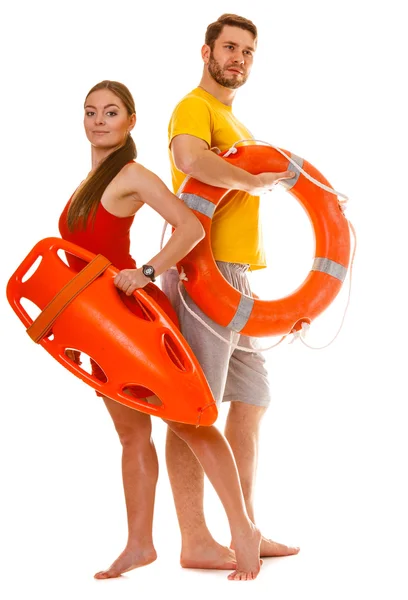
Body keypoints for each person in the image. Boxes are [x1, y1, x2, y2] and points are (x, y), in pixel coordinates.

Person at [58, 80, 262, 581]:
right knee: (131, 435)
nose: (98, 120)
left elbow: (190, 227)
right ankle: (139, 545)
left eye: (110, 112)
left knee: (189, 421)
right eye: (90, 112)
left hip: (133, 318)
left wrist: (146, 272)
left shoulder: (132, 174)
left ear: (130, 122)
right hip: (96, 324)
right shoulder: (87, 184)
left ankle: (243, 531)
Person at [161, 14, 300, 569]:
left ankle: (246, 526)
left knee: (250, 402)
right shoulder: (194, 107)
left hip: (237, 276)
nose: (238, 58)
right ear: (206, 51)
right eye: (230, 48)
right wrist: (253, 181)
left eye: (247, 51)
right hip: (203, 271)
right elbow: (188, 160)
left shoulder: (234, 121)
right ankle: (195, 540)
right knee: (193, 408)